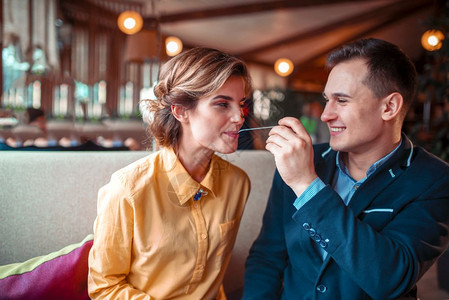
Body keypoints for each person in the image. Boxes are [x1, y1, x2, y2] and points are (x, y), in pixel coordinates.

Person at [243, 38, 449, 299]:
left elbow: (389, 278)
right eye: (327, 99)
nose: (325, 115)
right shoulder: (304, 159)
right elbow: (267, 258)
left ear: (389, 106)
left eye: (341, 100)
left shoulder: (435, 180)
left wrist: (307, 185)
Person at [88, 48, 252, 299]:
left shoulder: (238, 184)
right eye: (222, 104)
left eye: (240, 105)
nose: (239, 117)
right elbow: (104, 288)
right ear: (180, 110)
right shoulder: (128, 189)